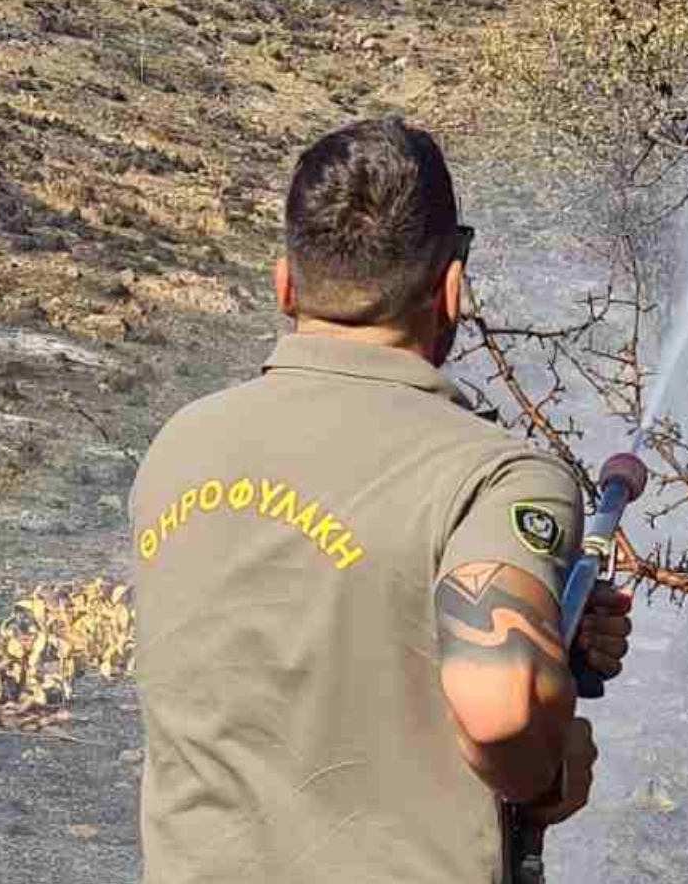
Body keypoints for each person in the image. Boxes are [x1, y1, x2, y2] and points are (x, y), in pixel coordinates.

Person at [125, 116, 634, 884]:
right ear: (451, 287)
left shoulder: (179, 447)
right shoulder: (494, 477)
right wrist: (553, 762)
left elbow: (312, 624)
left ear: (286, 284)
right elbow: (500, 711)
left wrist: (550, 641)